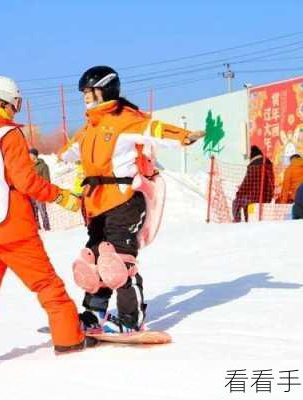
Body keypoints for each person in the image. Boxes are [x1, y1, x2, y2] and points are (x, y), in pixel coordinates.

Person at [0, 75, 95, 373]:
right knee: (47, 286)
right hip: (13, 229)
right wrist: (61, 197)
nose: (14, 111)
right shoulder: (7, 135)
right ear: (1, 101)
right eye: (14, 104)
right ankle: (69, 340)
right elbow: (26, 180)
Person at [58, 66, 203, 333]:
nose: (85, 97)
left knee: (118, 261)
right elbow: (67, 153)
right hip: (96, 202)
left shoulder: (125, 119)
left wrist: (184, 137)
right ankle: (94, 311)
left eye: (89, 92)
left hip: (124, 199)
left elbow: (154, 129)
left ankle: (130, 319)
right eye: (84, 93)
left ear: (105, 89)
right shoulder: (90, 126)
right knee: (93, 260)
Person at [232, 145, 275, 222]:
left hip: (255, 198)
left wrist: (239, 193)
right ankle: (247, 219)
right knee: (246, 201)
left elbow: (247, 183)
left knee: (236, 201)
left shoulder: (253, 166)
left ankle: (237, 221)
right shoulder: (269, 164)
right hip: (267, 197)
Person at [29, 148, 51, 231]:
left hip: (39, 192)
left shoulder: (43, 166)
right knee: (34, 213)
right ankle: (38, 229)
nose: (29, 156)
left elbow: (47, 180)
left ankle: (47, 228)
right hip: (31, 192)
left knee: (42, 211)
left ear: (34, 155)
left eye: (30, 154)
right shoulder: (28, 166)